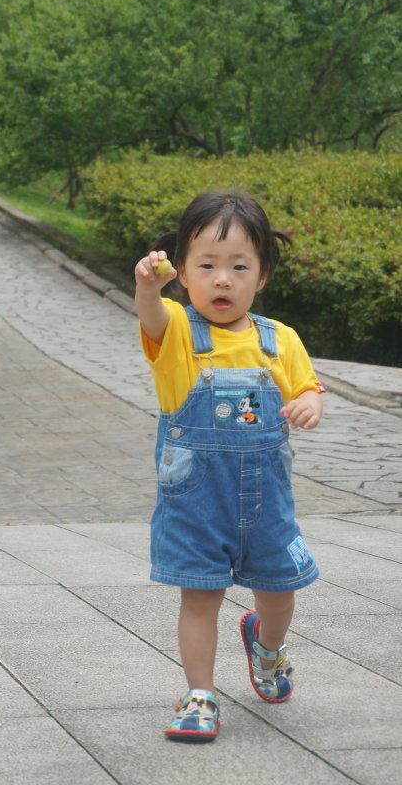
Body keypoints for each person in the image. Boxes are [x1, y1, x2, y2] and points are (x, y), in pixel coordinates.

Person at [134, 190, 325, 742]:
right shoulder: (173, 332)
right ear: (183, 273)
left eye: (239, 267)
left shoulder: (279, 340)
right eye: (207, 266)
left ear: (262, 276)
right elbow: (150, 312)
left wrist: (309, 403)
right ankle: (200, 693)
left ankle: (267, 645)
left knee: (280, 592)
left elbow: (308, 387)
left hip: (268, 503)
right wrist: (148, 287)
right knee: (199, 597)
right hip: (197, 503)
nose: (223, 280)